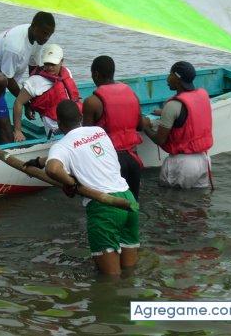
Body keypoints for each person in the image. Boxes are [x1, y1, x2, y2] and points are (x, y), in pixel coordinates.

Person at [25, 100, 139, 276]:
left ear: (59, 124)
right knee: (130, 272)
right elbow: (79, 151)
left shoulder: (61, 146)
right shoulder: (99, 132)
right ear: (80, 117)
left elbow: (53, 169)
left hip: (104, 208)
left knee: (111, 280)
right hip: (127, 199)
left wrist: (71, 183)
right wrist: (39, 161)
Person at [0, 11, 55, 142]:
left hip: (1, 81)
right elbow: (7, 79)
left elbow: (33, 68)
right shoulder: (15, 48)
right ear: (34, 26)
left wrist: (33, 96)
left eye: (50, 34)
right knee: (7, 134)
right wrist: (26, 102)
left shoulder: (37, 38)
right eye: (44, 33)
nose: (46, 37)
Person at [142, 61, 213, 188]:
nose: (167, 78)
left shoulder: (173, 105)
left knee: (171, 198)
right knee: (200, 198)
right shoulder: (203, 95)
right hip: (204, 160)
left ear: (177, 77)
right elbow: (190, 114)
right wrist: (165, 113)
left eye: (170, 74)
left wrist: (145, 126)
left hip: (182, 165)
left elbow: (159, 139)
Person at [82, 56, 145, 200]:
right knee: (133, 204)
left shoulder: (92, 102)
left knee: (112, 205)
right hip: (133, 158)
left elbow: (87, 138)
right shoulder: (132, 95)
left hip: (111, 161)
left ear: (95, 74)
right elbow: (140, 126)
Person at [13, 44, 81, 141]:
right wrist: (18, 131)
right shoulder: (35, 81)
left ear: (61, 61)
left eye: (53, 64)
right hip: (55, 126)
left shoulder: (67, 72)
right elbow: (18, 103)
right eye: (47, 64)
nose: (49, 67)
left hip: (74, 119)